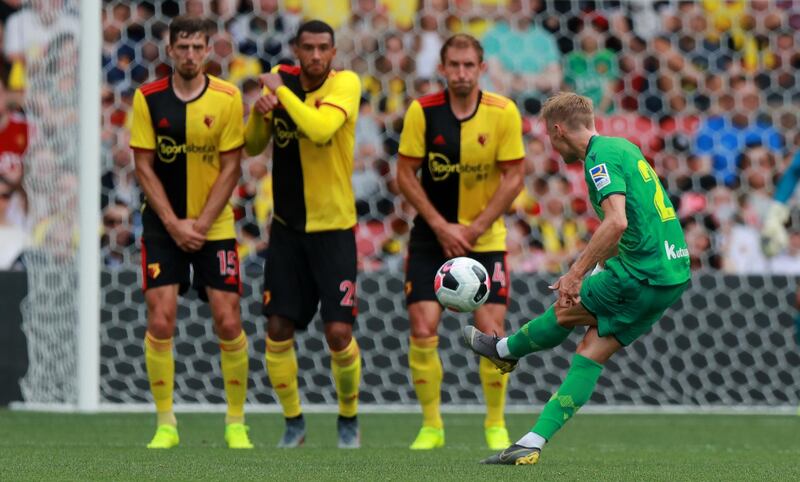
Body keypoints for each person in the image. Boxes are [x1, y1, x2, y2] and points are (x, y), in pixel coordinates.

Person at [463, 92, 690, 465]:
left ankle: (503, 351)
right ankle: (531, 443)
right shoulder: (624, 148)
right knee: (590, 353)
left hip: (640, 274)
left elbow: (617, 221)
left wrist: (575, 273)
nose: (551, 146)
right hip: (672, 274)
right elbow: (641, 219)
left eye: (549, 137)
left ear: (557, 130)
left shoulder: (598, 160)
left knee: (566, 309)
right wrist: (597, 269)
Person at [396, 33, 525, 451]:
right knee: (422, 328)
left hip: (484, 238)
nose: (462, 73)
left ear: (482, 68)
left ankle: (495, 423)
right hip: (431, 237)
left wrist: (472, 230)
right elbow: (404, 174)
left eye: (469, 65)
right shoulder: (423, 111)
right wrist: (441, 226)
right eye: (454, 65)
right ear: (442, 68)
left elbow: (515, 178)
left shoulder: (502, 112)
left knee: (492, 332)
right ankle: (431, 425)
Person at [129, 16, 251, 450]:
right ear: (169, 49)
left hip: (214, 226)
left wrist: (199, 225)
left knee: (228, 318)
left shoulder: (227, 97)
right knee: (161, 320)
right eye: (183, 47)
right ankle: (166, 423)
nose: (191, 55)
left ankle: (236, 422)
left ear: (208, 49)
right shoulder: (148, 99)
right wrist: (175, 223)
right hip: (163, 227)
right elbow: (143, 166)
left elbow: (232, 165)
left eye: (198, 47)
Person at [243, 20, 362, 449]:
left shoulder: (345, 83)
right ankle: (293, 422)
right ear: (296, 48)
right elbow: (254, 146)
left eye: (323, 48)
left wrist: (281, 93)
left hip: (334, 230)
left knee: (338, 334)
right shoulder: (283, 87)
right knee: (276, 328)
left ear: (333, 51)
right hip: (288, 230)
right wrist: (261, 113)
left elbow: (319, 129)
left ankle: (348, 415)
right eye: (307, 48)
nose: (315, 56)